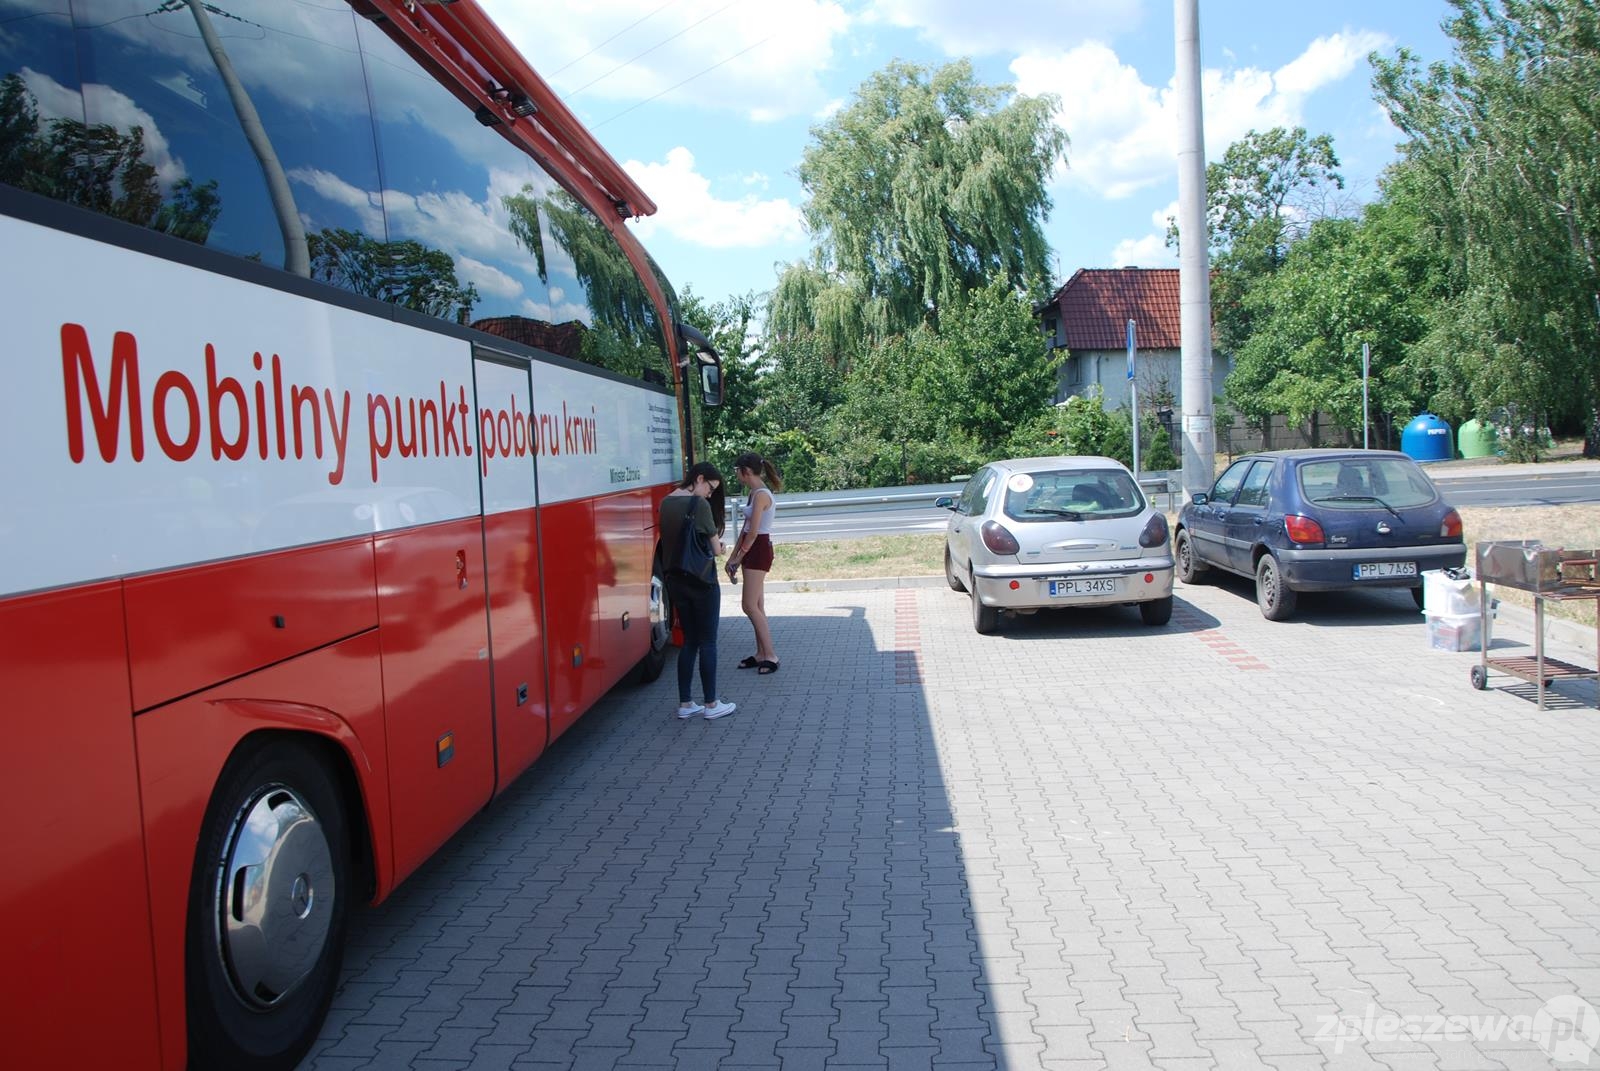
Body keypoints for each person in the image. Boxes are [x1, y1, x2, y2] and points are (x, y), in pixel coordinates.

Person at [660, 462, 736, 720]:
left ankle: (685, 704)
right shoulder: (698, 504)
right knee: (708, 642)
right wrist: (722, 547)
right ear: (699, 478)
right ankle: (712, 704)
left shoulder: (665, 503)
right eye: (710, 488)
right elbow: (715, 549)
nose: (710, 495)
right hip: (702, 581)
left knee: (689, 641)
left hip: (676, 581)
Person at [726, 451, 782, 674]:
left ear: (746, 471)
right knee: (756, 605)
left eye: (737, 471)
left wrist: (739, 558)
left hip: (758, 549)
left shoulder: (761, 495)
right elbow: (745, 529)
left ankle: (771, 656)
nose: (736, 474)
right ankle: (761, 654)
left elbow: (754, 533)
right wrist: (733, 557)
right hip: (752, 548)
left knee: (748, 605)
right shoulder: (753, 493)